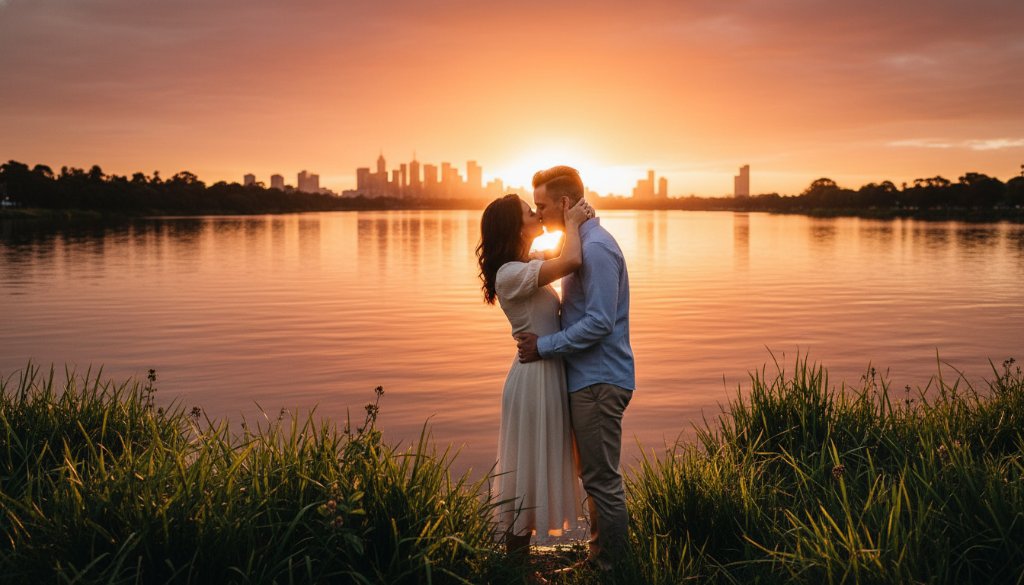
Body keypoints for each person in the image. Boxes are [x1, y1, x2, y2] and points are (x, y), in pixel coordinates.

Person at [515, 165, 635, 573]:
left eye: (542, 206)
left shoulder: (597, 248)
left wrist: (543, 347)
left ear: (564, 204)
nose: (539, 213)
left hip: (599, 380)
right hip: (589, 379)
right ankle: (600, 560)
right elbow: (529, 260)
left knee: (602, 480)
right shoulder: (577, 244)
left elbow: (601, 321)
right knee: (596, 478)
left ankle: (612, 570)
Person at [475, 193, 592, 577]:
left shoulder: (528, 263)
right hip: (532, 380)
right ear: (514, 226)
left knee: (536, 463)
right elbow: (572, 259)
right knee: (524, 471)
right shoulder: (510, 273)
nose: (536, 215)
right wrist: (572, 222)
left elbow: (564, 252)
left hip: (546, 370)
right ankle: (516, 569)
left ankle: (520, 568)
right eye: (530, 212)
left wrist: (576, 214)